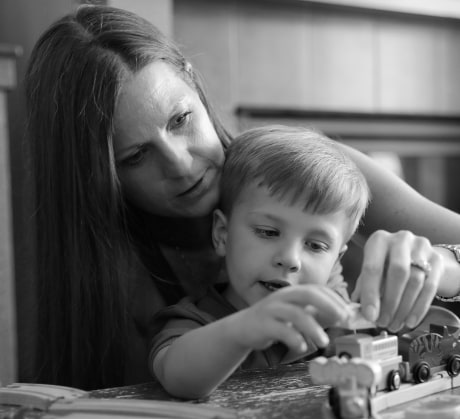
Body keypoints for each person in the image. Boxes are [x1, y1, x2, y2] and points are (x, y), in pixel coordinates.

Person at [25, 5, 460, 390]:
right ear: (100, 174)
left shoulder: (312, 171)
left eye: (180, 119)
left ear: (193, 83)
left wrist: (439, 266)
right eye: (137, 155)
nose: (181, 164)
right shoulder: (116, 274)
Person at [149, 125, 371, 399]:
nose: (290, 259)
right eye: (268, 232)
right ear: (222, 234)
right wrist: (243, 329)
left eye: (315, 246)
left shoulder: (333, 309)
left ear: (336, 258)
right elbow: (177, 378)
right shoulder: (197, 323)